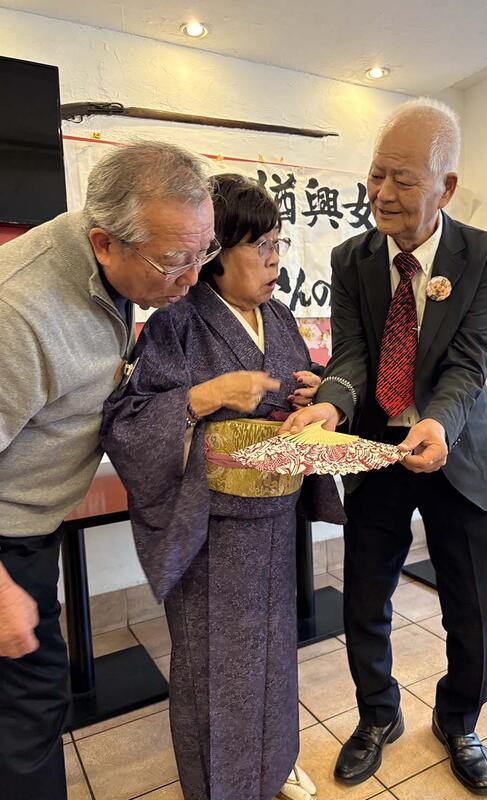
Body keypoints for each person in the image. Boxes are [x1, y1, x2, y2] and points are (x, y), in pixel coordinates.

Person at [281, 97, 487, 795]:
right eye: (376, 174)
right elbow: (351, 354)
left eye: (403, 179)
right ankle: (377, 716)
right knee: (364, 599)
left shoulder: (486, 257)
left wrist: (438, 424)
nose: (381, 193)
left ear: (444, 186)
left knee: (471, 606)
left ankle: (460, 721)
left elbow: (469, 363)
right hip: (377, 452)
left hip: (456, 453)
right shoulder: (353, 257)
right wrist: (329, 401)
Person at [101, 173, 344, 800]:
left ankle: (274, 761)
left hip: (277, 516)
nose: (274, 261)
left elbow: (301, 384)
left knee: (275, 653)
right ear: (215, 252)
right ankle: (219, 788)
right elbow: (126, 422)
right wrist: (205, 396)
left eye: (279, 244)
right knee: (215, 668)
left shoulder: (280, 317)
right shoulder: (175, 324)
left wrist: (314, 395)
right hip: (211, 528)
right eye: (259, 245)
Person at [0, 141, 216, 800]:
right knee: (30, 708)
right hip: (6, 537)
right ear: (104, 244)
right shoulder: (20, 311)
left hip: (34, 522)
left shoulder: (121, 268)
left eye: (203, 252)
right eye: (176, 260)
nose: (192, 278)